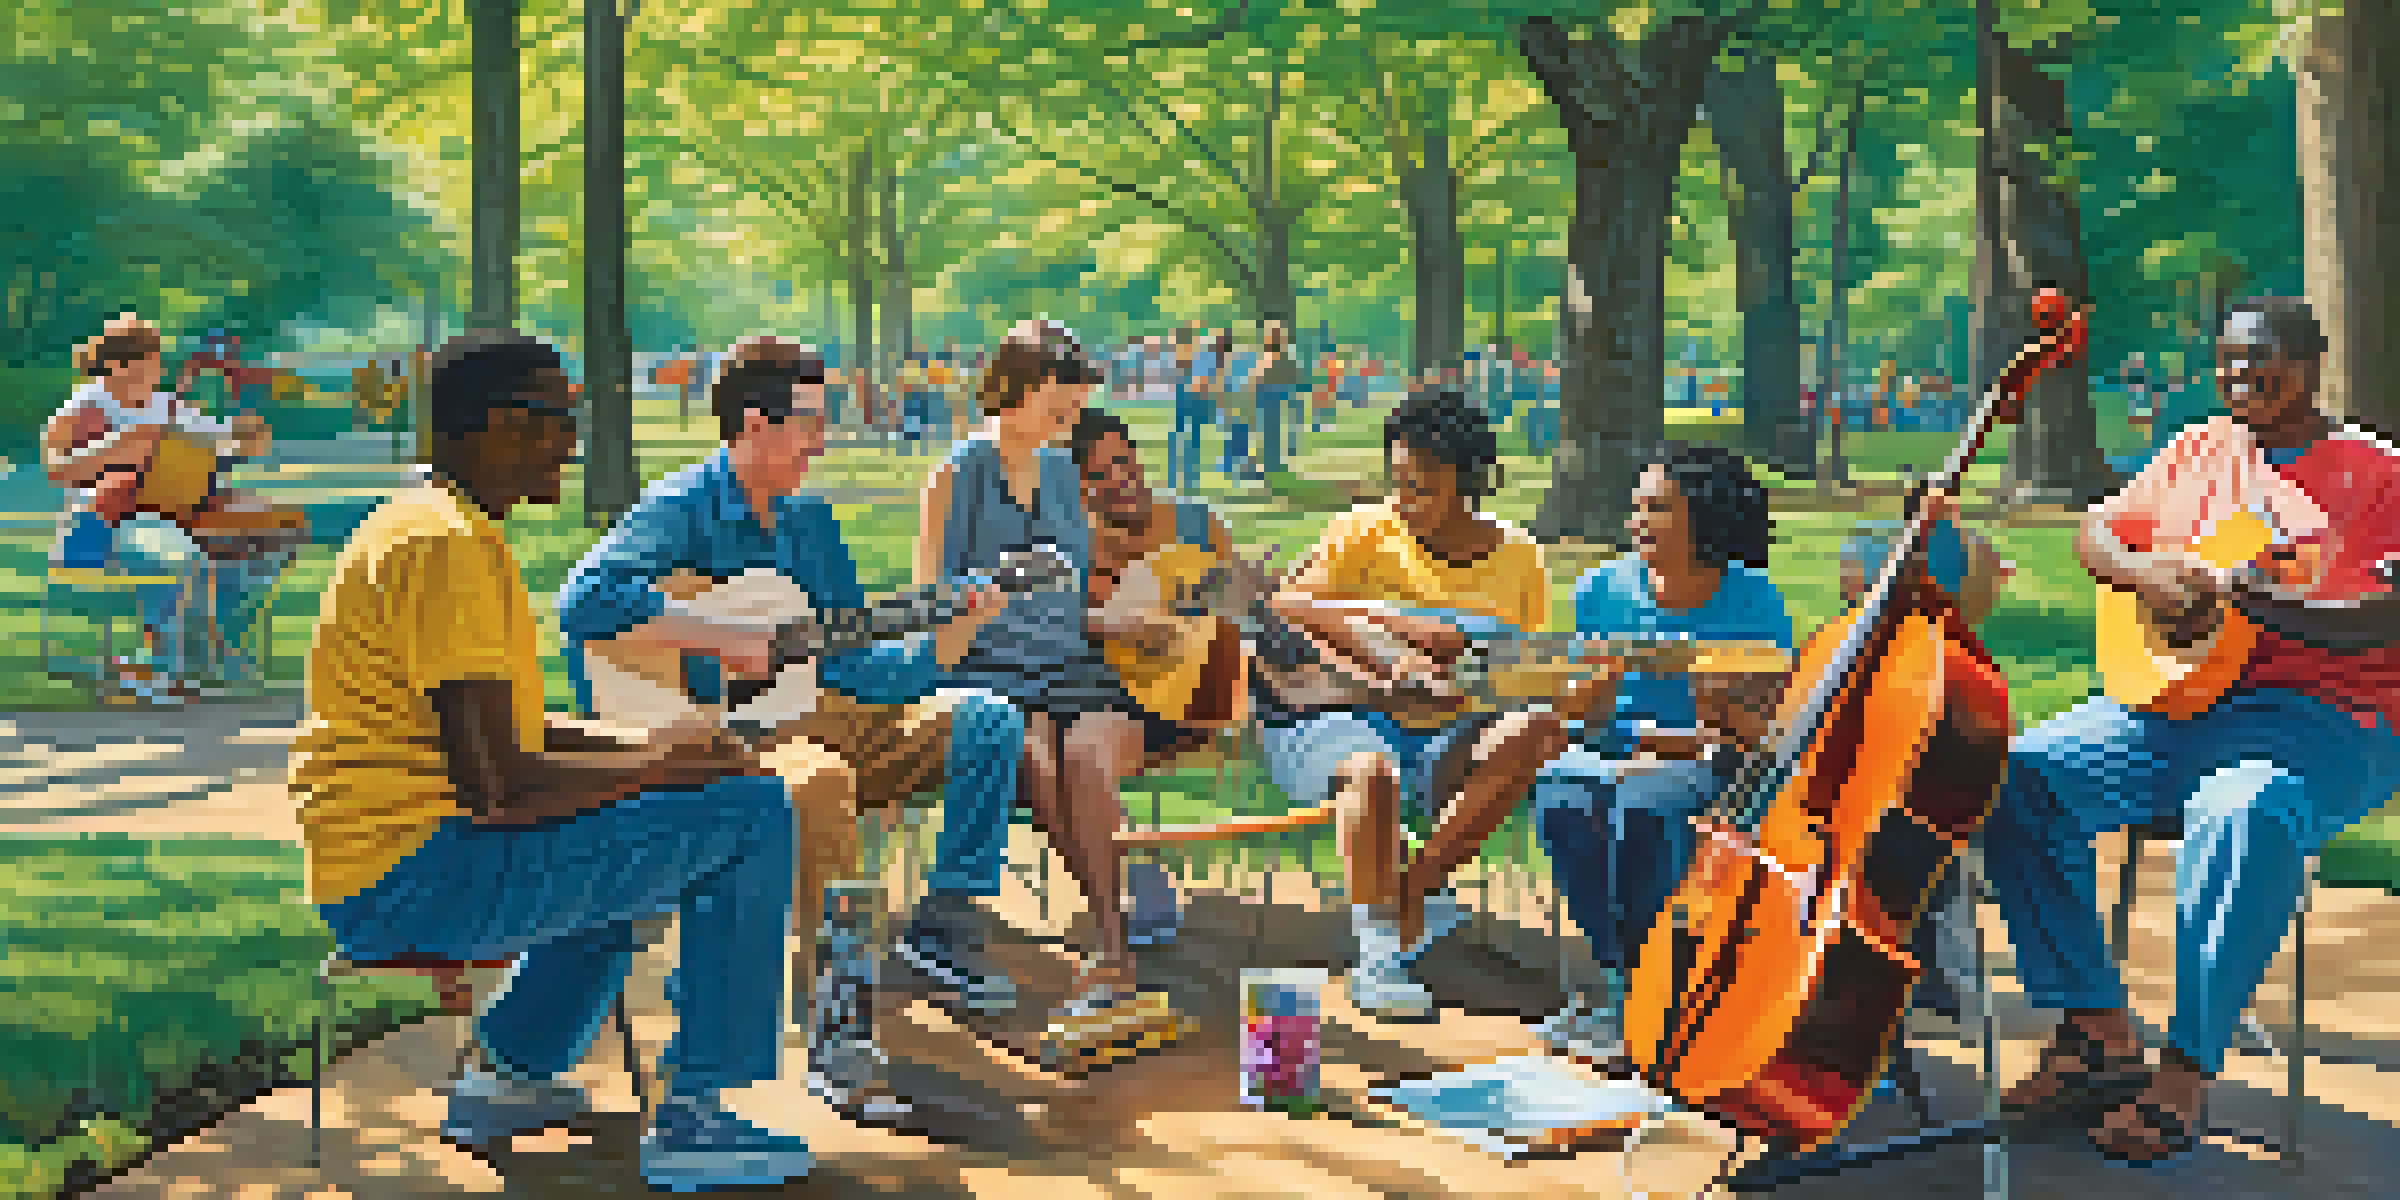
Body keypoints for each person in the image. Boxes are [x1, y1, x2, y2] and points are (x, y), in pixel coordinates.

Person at [293, 332, 822, 1191]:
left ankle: (508, 1077)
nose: (572, 443)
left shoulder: (435, 527)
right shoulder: (445, 546)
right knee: (752, 813)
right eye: (558, 419)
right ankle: (698, 1115)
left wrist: (667, 751)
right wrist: (658, 767)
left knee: (655, 815)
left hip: (395, 866)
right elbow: (500, 787)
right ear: (501, 423)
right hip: (418, 877)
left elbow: (515, 734)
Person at [1987, 297, 2400, 1165]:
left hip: (2325, 719)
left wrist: (2257, 602)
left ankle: (2186, 1069)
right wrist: (2148, 574)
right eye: (2228, 359)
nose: (2240, 375)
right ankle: (2096, 1028)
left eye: (2263, 358)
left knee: (2242, 812)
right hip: (2173, 705)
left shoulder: (2376, 475)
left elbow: (2383, 618)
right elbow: (2099, 532)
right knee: (2016, 776)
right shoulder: (2198, 448)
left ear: (2312, 362)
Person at [555, 337, 1025, 1060]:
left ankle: (945, 925)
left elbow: (859, 666)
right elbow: (585, 602)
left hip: (820, 712)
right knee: (819, 779)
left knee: (986, 721)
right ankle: (835, 1006)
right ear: (753, 423)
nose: (821, 440)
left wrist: (952, 631)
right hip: (719, 736)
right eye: (808, 422)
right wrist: (723, 639)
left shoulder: (811, 524)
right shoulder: (682, 507)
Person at [915, 322, 1197, 1037]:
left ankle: (1114, 937)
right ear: (1013, 391)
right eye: (1060, 405)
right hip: (991, 671)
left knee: (1087, 755)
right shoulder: (957, 476)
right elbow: (930, 607)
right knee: (1038, 762)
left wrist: (1120, 624)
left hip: (1072, 664)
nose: (1071, 419)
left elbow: (1068, 599)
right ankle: (1114, 943)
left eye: (1076, 406)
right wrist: (974, 606)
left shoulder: (1063, 473)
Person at [1259, 388, 1573, 1019]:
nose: (1404, 500)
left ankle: (1409, 899)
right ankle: (1380, 960)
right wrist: (1395, 633)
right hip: (1340, 717)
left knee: (1539, 727)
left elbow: (1524, 671)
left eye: (1423, 489)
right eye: (1398, 482)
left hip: (1450, 731)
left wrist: (1466, 674)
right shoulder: (1362, 531)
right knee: (1371, 770)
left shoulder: (1519, 558)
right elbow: (1282, 610)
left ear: (1470, 481)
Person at [42, 314, 291, 700]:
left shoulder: (168, 406)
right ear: (117, 366)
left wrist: (247, 438)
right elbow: (57, 469)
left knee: (259, 547)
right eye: (150, 363)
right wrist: (117, 447)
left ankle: (206, 651)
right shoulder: (87, 406)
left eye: (158, 362)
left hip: (172, 518)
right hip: (103, 524)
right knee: (173, 554)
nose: (159, 372)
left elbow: (225, 444)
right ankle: (163, 662)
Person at [1253, 322, 1301, 478]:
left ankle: (1271, 463)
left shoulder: (1273, 356)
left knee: (1272, 431)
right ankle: (1271, 463)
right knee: (1270, 431)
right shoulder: (1274, 356)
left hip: (1271, 395)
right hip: (1269, 395)